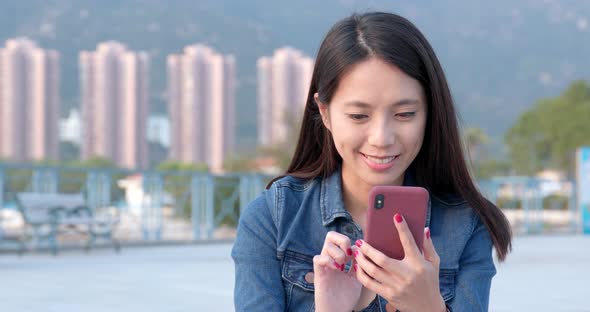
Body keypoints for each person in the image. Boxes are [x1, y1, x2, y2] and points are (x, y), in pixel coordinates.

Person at [232, 11, 512, 312]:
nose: (381, 138)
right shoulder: (273, 219)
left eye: (405, 114)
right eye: (358, 116)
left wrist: (428, 306)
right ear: (324, 112)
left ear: (430, 113)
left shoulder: (467, 226)